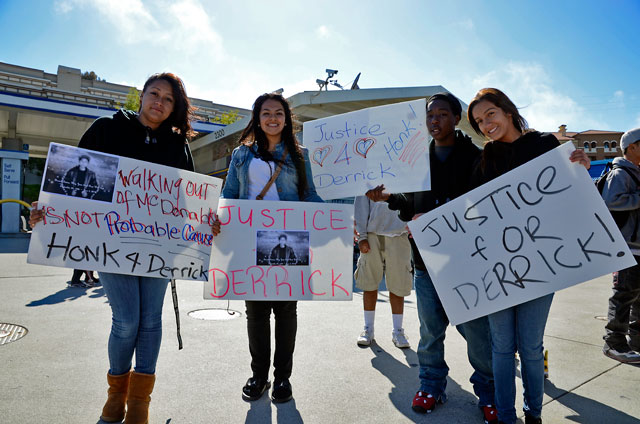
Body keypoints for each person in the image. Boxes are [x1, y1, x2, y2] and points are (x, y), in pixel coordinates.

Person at [30, 72, 195, 424]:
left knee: (151, 322)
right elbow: (67, 180)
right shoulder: (107, 129)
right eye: (154, 94)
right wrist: (47, 210)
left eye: (168, 99)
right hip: (110, 242)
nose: (159, 102)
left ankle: (140, 402)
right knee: (126, 321)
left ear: (174, 107)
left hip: (159, 246)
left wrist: (205, 224)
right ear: (141, 96)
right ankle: (115, 395)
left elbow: (189, 202)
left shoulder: (178, 145)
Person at [367, 93, 498, 423]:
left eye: (442, 114)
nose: (435, 120)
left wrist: (439, 215)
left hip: (468, 262)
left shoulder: (478, 157)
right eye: (430, 115)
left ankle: (489, 392)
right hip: (426, 263)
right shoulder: (414, 159)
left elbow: (487, 208)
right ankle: (431, 385)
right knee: (430, 332)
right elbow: (409, 205)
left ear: (457, 118)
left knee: (478, 335)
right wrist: (388, 197)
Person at [467, 88, 590, 424]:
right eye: (479, 121)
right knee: (502, 348)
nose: (486, 124)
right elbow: (471, 216)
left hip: (541, 266)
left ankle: (533, 415)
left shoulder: (545, 146)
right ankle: (506, 417)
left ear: (507, 111)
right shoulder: (485, 161)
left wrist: (582, 168)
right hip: (498, 269)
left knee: (531, 348)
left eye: (490, 114)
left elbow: (573, 197)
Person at [213, 92, 322, 404]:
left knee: (286, 310)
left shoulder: (301, 155)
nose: (272, 118)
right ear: (257, 118)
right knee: (256, 312)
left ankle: (282, 378)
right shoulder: (241, 155)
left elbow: (309, 195)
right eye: (266, 113)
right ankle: (258, 375)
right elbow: (230, 193)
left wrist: (337, 221)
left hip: (289, 237)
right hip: (248, 239)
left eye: (278, 113)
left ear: (286, 119)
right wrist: (218, 218)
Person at [601, 127, 640, 363]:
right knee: (623, 297)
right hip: (628, 248)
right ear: (632, 147)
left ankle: (636, 343)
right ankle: (613, 344)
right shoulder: (621, 173)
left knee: (638, 300)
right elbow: (611, 201)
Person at [353, 194, 412, 349]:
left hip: (399, 232)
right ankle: (368, 329)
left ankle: (398, 331)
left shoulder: (407, 170)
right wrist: (362, 236)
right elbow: (360, 204)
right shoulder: (366, 172)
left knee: (398, 284)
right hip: (372, 233)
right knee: (369, 282)